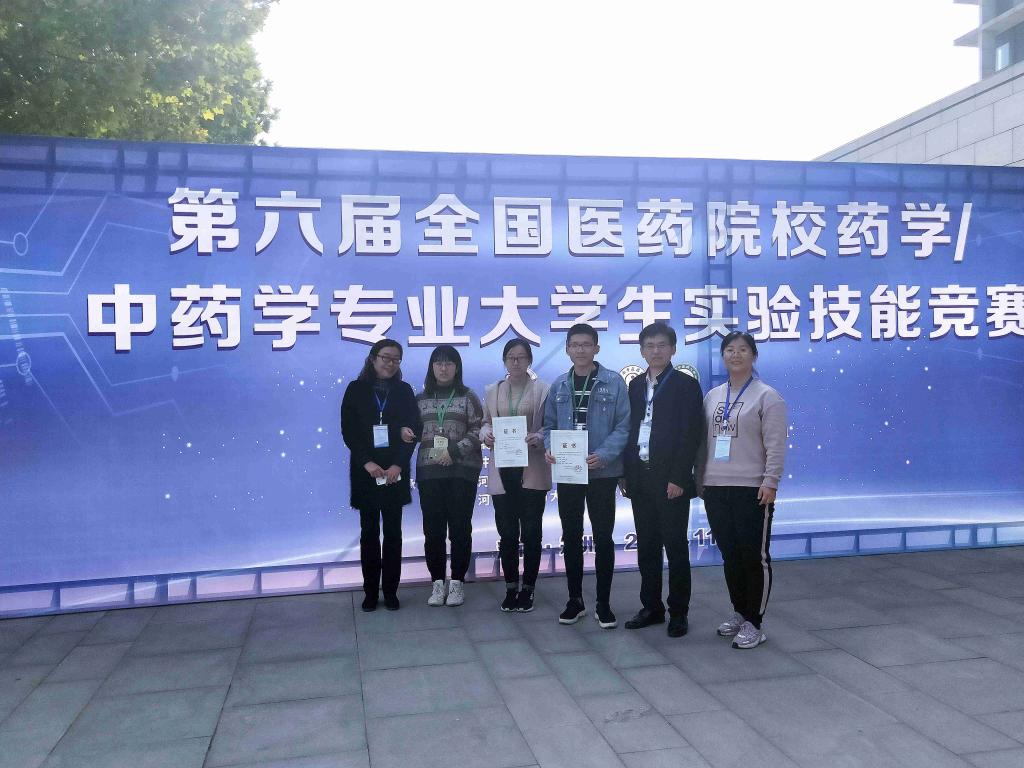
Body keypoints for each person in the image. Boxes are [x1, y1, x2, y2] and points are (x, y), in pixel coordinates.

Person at [696, 331, 787, 649]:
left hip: (752, 488)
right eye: (730, 350)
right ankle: (739, 611)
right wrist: (701, 479)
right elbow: (704, 442)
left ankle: (755, 622)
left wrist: (770, 481)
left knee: (754, 557)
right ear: (723, 356)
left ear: (754, 355)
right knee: (730, 555)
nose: (736, 355)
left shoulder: (768, 397)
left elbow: (776, 444)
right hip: (716, 486)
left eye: (743, 350)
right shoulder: (713, 396)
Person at [543, 323, 630, 629]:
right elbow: (548, 426)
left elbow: (624, 426)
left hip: (602, 472)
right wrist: (550, 447)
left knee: (604, 536)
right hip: (569, 472)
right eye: (575, 345)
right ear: (567, 349)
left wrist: (604, 455)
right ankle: (575, 600)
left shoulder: (614, 382)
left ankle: (603, 603)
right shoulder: (559, 385)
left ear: (596, 348)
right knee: (571, 535)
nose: (580, 350)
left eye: (586, 344)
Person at [621, 322, 704, 638]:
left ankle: (678, 612)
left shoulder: (685, 385)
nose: (655, 351)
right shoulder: (634, 385)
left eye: (661, 345)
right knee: (647, 546)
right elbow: (629, 430)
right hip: (640, 477)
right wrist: (625, 474)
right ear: (642, 351)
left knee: (675, 547)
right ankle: (651, 607)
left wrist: (679, 477)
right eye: (649, 346)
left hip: (671, 479)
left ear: (673, 349)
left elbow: (690, 434)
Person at [340, 339, 422, 612]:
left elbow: (413, 429)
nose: (390, 363)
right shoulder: (356, 389)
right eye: (386, 357)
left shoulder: (404, 390)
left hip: (394, 471)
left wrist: (398, 465)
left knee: (394, 534)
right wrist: (367, 463)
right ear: (373, 358)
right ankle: (370, 592)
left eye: (396, 359)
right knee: (369, 533)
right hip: (366, 470)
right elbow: (349, 431)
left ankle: (391, 591)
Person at [480, 338, 551, 613]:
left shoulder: (543, 389)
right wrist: (485, 434)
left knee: (531, 531)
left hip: (531, 467)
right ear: (504, 360)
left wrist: (540, 436)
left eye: (521, 357)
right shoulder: (493, 390)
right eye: (511, 357)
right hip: (503, 468)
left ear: (529, 360)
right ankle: (511, 586)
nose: (516, 361)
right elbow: (485, 422)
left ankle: (528, 588)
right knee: (507, 532)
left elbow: (550, 425)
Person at [414, 345, 484, 607]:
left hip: (461, 472)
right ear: (431, 367)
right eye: (438, 363)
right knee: (432, 530)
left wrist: (453, 451)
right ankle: (437, 582)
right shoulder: (420, 399)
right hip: (429, 472)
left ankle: (457, 583)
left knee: (460, 528)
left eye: (449, 363)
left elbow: (478, 429)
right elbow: (412, 431)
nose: (443, 368)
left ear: (457, 367)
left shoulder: (468, 396)